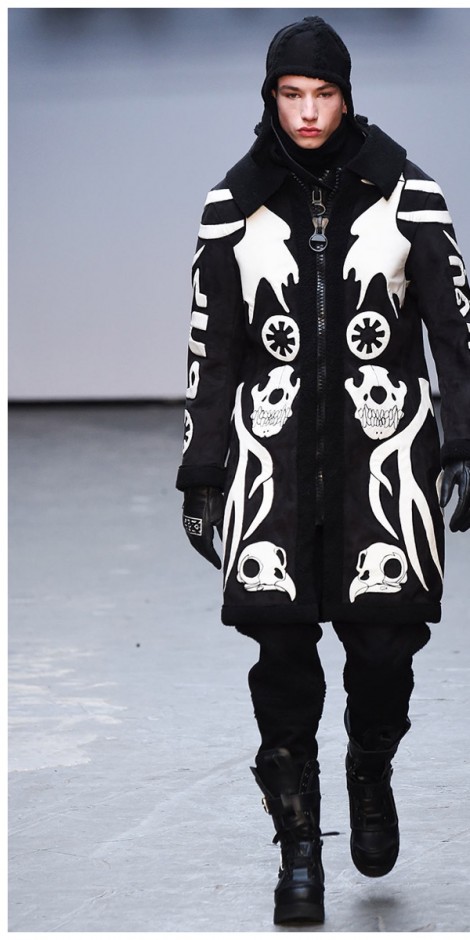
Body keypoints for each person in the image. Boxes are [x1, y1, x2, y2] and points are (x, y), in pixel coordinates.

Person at [175, 15, 470, 926]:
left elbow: (455, 334)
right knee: (282, 659)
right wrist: (202, 467)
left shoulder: (409, 193)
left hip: (384, 464)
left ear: (348, 95)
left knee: (384, 649)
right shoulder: (233, 204)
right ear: (270, 98)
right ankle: (298, 849)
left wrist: (466, 442)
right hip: (273, 464)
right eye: (291, 95)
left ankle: (370, 766)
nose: (307, 112)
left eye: (323, 94)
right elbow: (212, 350)